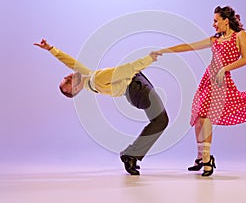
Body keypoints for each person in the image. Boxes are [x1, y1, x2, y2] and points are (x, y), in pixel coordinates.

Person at [152, 6, 246, 176]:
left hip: (220, 81)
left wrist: (224, 69)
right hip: (208, 79)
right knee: (199, 117)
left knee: (207, 115)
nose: (213, 24)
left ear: (226, 20)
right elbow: (190, 46)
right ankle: (201, 158)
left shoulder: (240, 35)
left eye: (216, 21)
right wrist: (164, 50)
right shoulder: (216, 39)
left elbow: (245, 59)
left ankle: (207, 160)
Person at [33, 39, 169, 175]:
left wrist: (51, 49)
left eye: (66, 77)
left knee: (160, 120)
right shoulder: (97, 79)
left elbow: (70, 62)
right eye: (69, 81)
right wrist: (149, 58)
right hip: (137, 88)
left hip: (136, 84)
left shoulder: (88, 78)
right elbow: (128, 69)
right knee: (161, 120)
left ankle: (131, 154)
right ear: (75, 89)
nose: (69, 75)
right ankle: (130, 156)